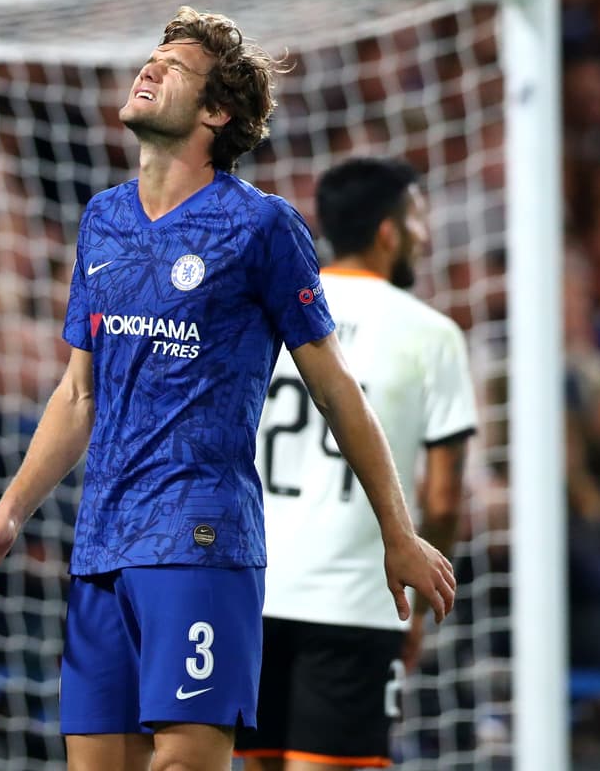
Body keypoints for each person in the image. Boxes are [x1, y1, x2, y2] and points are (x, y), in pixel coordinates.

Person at [0, 8, 456, 771]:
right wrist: (8, 514)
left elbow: (336, 388)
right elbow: (77, 395)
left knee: (185, 764)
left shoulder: (261, 228)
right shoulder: (104, 220)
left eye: (173, 68)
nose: (148, 70)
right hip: (101, 545)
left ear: (216, 112)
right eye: (150, 59)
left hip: (200, 539)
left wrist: (396, 530)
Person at [234, 157, 478, 770]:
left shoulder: (270, 310)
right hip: (357, 603)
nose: (426, 234)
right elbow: (444, 499)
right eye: (419, 218)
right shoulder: (432, 333)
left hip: (247, 589)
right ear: (389, 231)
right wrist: (422, 604)